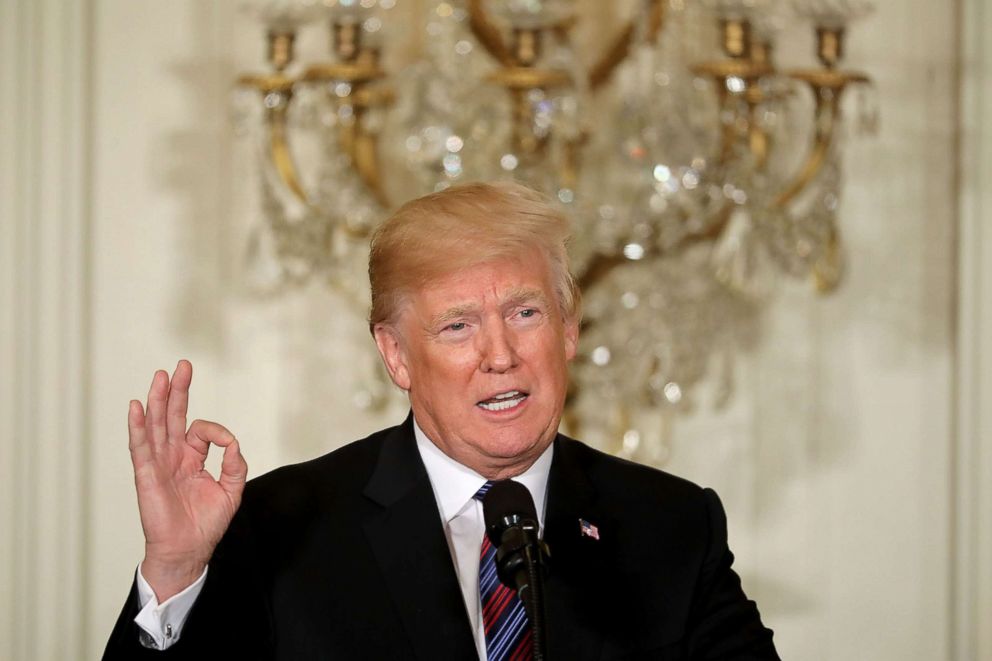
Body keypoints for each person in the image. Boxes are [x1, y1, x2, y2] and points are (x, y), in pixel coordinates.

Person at [104, 182, 779, 660]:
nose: (501, 355)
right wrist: (174, 571)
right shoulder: (281, 528)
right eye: (458, 326)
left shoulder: (672, 526)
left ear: (569, 327)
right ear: (396, 354)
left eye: (525, 312)